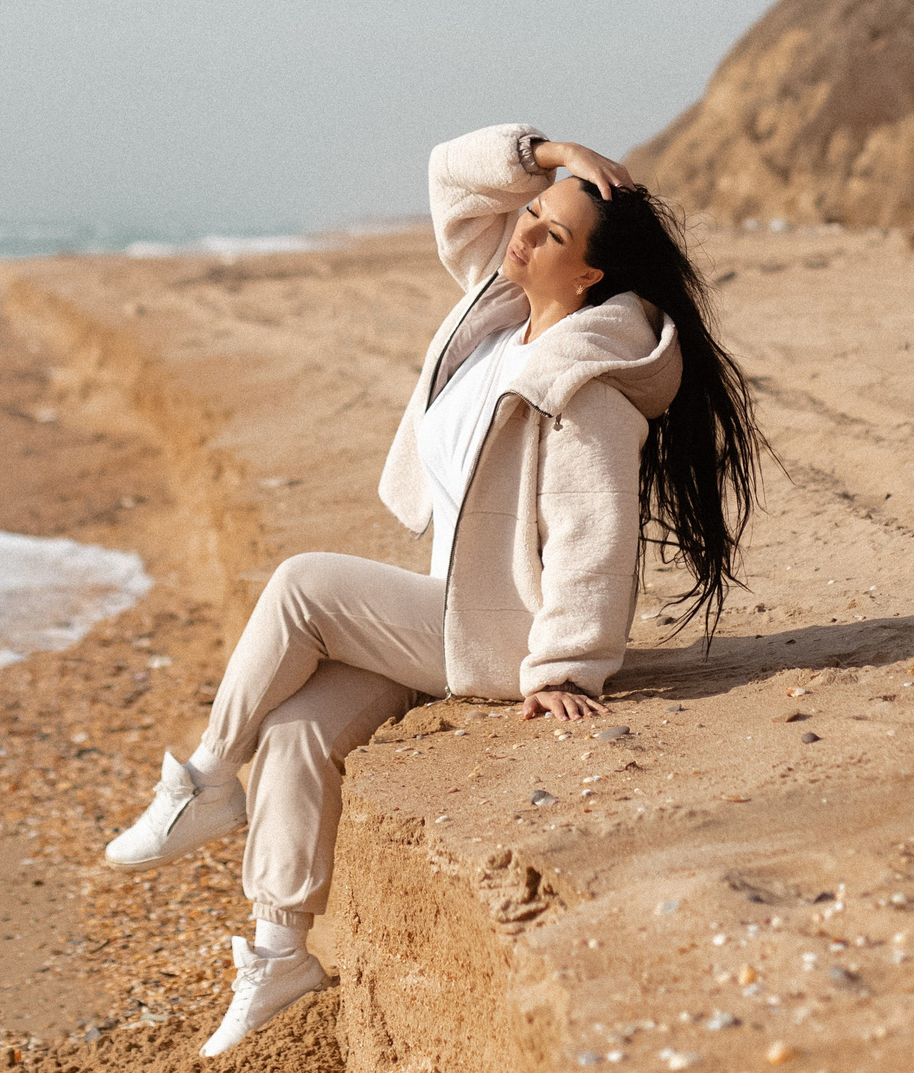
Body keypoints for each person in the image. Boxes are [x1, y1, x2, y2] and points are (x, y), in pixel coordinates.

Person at [99, 123, 769, 1057]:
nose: (522, 233)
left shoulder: (587, 382)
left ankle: (207, 777)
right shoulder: (497, 318)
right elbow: (450, 177)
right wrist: (552, 154)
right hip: (446, 608)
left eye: (549, 233)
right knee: (295, 728)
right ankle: (280, 952)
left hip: (501, 634)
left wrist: (566, 665)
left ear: (588, 277)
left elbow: (596, 533)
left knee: (300, 585)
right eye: (528, 216)